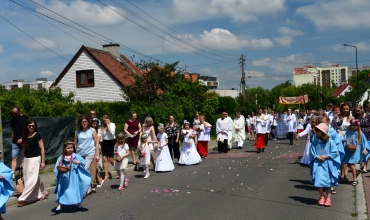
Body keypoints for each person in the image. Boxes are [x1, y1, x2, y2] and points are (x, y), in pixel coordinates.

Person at [52, 141, 91, 214]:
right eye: (68, 148)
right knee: (63, 191)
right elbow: (57, 167)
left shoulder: (76, 156)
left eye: (71, 147)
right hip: (65, 178)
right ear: (64, 148)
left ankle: (79, 205)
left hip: (74, 178)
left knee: (76, 191)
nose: (70, 149)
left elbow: (83, 162)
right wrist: (60, 168)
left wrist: (79, 162)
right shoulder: (61, 158)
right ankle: (59, 206)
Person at [17, 119, 48, 207]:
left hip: (35, 159)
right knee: (29, 179)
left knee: (32, 179)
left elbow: (42, 149)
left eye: (33, 126)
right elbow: (23, 149)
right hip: (27, 159)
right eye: (30, 126)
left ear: (35, 126)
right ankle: (41, 193)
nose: (31, 127)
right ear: (26, 126)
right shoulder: (25, 136)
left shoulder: (38, 136)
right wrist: (23, 161)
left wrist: (42, 161)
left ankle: (23, 199)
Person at [309, 123, 340, 207]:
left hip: (328, 164)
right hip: (318, 163)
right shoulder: (315, 142)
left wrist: (326, 156)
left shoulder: (330, 142)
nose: (316, 132)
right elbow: (312, 152)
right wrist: (316, 156)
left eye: (318, 131)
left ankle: (328, 198)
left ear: (323, 132)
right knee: (319, 181)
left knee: (328, 182)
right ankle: (321, 196)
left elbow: (335, 152)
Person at [74, 115, 100, 195]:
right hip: (80, 153)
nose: (84, 123)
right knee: (81, 170)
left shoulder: (92, 130)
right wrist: (74, 154)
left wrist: (97, 154)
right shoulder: (77, 132)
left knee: (86, 168)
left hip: (90, 153)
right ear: (80, 123)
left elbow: (97, 142)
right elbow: (75, 143)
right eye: (82, 122)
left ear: (88, 122)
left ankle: (86, 188)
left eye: (85, 121)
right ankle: (89, 186)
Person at [342, 119, 369, 186]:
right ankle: (357, 172)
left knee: (351, 164)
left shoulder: (360, 133)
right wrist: (343, 140)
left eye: (354, 126)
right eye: (352, 125)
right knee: (347, 163)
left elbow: (364, 142)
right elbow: (343, 137)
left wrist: (365, 149)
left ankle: (355, 179)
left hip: (355, 151)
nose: (353, 127)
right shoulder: (348, 132)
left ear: (358, 126)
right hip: (348, 150)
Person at [10, 106, 29, 174]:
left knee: (25, 157)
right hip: (15, 141)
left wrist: (22, 138)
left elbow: (28, 130)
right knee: (14, 157)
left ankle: (26, 172)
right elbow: (13, 129)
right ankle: (12, 173)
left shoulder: (25, 118)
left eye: (16, 113)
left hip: (24, 140)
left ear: (19, 111)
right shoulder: (13, 119)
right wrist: (13, 137)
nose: (15, 115)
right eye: (13, 113)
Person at [101, 115, 116, 183]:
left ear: (109, 119)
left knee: (111, 160)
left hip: (111, 142)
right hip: (105, 142)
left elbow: (111, 133)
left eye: (106, 120)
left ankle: (118, 170)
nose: (105, 121)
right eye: (104, 120)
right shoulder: (102, 126)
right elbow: (102, 136)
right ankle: (106, 175)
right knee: (104, 159)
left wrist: (108, 125)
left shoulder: (112, 124)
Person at [90, 118, 103, 188]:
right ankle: (99, 180)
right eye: (93, 123)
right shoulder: (89, 130)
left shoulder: (99, 130)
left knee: (93, 165)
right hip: (90, 148)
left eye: (96, 123)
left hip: (97, 148)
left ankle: (92, 183)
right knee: (93, 166)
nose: (95, 125)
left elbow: (97, 140)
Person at [360, 104, 370, 172]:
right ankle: (363, 163)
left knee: (368, 150)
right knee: (363, 149)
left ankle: (365, 166)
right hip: (362, 135)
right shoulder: (364, 115)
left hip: (369, 135)